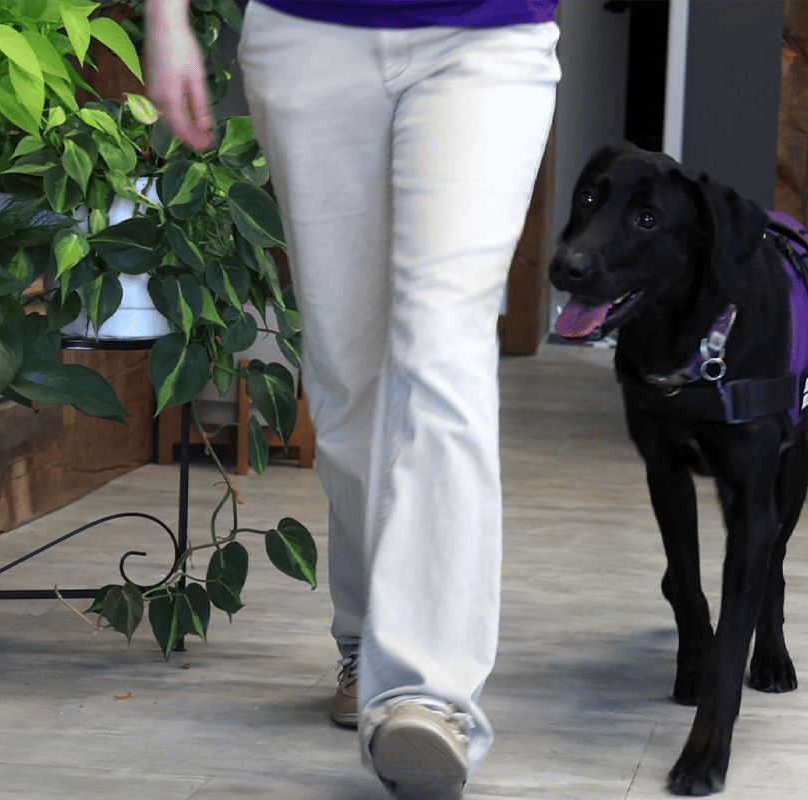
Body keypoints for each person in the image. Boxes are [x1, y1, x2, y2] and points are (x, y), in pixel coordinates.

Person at [145, 2, 561, 797]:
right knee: (346, 376)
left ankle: (427, 696)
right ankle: (368, 635)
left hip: (487, 34)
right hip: (310, 34)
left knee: (446, 349)